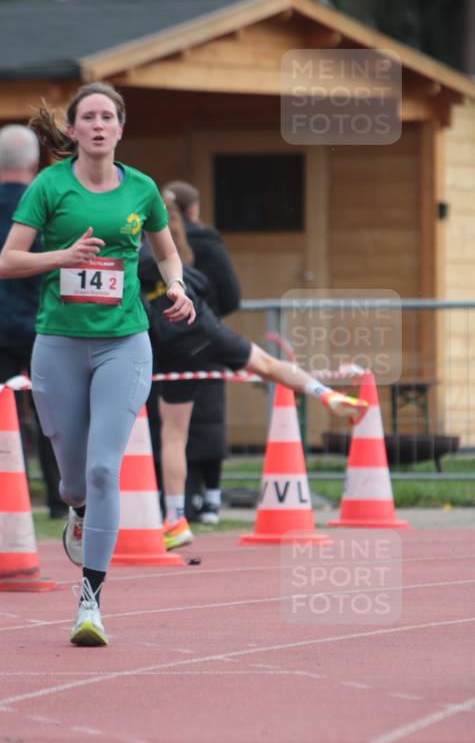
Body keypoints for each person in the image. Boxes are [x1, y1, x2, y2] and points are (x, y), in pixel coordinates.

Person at [0, 82, 195, 647]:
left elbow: (166, 249)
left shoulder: (143, 189)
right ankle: (77, 509)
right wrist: (62, 256)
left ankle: (90, 601)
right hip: (58, 343)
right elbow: (7, 262)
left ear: (120, 128)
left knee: (108, 469)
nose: (100, 125)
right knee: (75, 478)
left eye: (110, 116)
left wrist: (176, 285)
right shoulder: (50, 185)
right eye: (90, 117)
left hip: (124, 341)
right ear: (75, 129)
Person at [138, 196, 368, 550]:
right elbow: (206, 286)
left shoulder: (134, 254)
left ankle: (175, 518)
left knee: (173, 436)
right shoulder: (178, 254)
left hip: (175, 346)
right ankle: (326, 392)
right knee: (269, 365)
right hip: (207, 328)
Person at [0, 125, 67, 519]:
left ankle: (11, 495)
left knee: (4, 418)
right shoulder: (49, 202)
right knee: (50, 417)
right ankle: (60, 500)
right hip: (43, 325)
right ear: (34, 163)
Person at [163, 180, 240, 525]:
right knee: (208, 418)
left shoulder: (152, 242)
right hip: (204, 337)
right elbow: (231, 293)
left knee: (169, 426)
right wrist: (208, 314)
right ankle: (210, 498)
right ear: (193, 208)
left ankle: (176, 501)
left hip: (163, 337)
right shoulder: (208, 242)